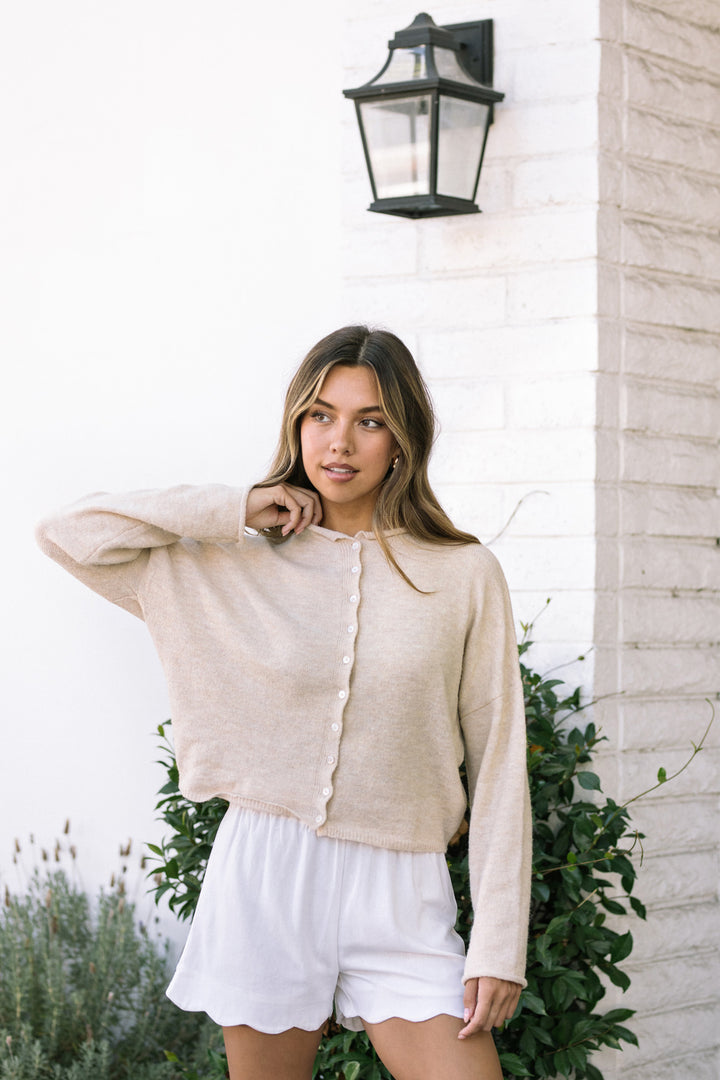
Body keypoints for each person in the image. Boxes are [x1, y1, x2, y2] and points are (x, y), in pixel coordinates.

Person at [36, 325, 532, 1080]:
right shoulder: (234, 559)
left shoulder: (463, 574)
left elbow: (499, 761)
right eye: (320, 415)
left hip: (401, 885)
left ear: (403, 440)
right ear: (296, 424)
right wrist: (234, 506)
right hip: (268, 871)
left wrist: (499, 943)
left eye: (370, 421)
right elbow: (67, 534)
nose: (340, 442)